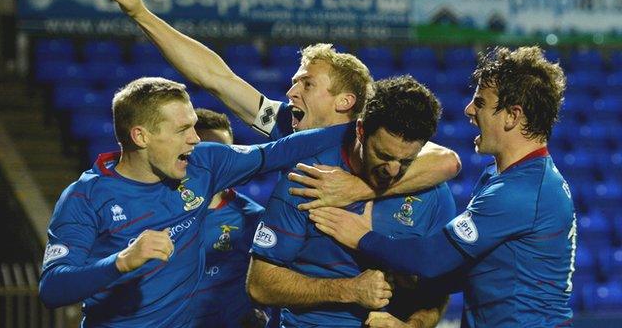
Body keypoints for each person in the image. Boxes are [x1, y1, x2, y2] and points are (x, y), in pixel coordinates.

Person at [108, 0, 462, 210]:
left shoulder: (375, 136)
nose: (291, 91)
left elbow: (447, 161)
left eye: (307, 84)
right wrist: (141, 14)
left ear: (345, 101)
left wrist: (359, 190)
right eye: (295, 81)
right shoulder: (286, 126)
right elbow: (217, 78)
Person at [38, 77, 356, 327]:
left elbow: (280, 151)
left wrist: (359, 127)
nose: (195, 137)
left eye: (193, 125)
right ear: (140, 137)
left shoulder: (203, 164)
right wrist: (122, 261)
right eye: (182, 129)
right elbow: (52, 289)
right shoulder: (85, 198)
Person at [308, 46, 576, 328]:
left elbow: (433, 258)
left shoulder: (520, 192)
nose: (469, 110)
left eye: (481, 103)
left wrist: (362, 237)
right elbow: (473, 268)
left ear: (512, 115)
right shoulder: (509, 177)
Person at [247, 75, 456, 327]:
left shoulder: (433, 192)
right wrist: (348, 290)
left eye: (406, 161)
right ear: (360, 130)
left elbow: (438, 290)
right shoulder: (310, 180)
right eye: (383, 155)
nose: (392, 170)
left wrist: (412, 326)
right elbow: (260, 284)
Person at [191, 108, 268, 328]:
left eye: (222, 154)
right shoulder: (154, 211)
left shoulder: (254, 219)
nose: (213, 163)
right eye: (203, 153)